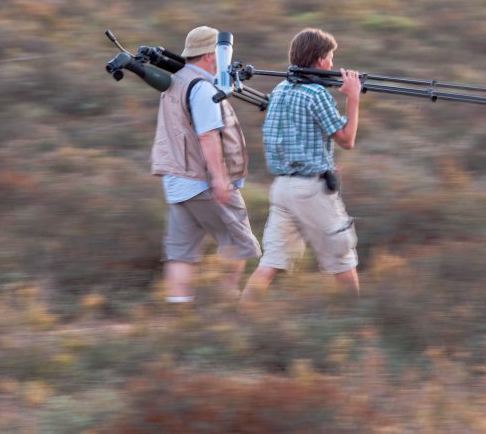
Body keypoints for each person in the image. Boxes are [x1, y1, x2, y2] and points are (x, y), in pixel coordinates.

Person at [240, 28, 362, 306]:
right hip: (310, 190)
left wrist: (321, 161)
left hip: (282, 188)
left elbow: (291, 136)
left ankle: (241, 313)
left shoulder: (281, 89)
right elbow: (347, 140)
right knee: (342, 257)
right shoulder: (316, 94)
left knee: (271, 261)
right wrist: (353, 97)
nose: (332, 64)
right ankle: (358, 324)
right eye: (330, 58)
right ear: (320, 60)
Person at [151, 25, 260, 304]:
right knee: (238, 242)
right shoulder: (202, 88)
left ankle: (179, 314)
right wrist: (219, 178)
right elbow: (208, 135)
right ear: (212, 56)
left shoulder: (175, 82)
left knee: (180, 253)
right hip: (202, 181)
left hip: (177, 181)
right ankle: (227, 305)